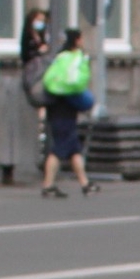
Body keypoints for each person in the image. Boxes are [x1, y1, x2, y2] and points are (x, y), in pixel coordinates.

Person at [38, 28, 95, 198]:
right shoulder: (76, 58)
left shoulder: (59, 57)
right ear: (77, 40)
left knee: (73, 148)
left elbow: (49, 80)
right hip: (67, 106)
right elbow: (79, 82)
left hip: (56, 105)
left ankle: (85, 183)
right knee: (60, 147)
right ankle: (47, 185)